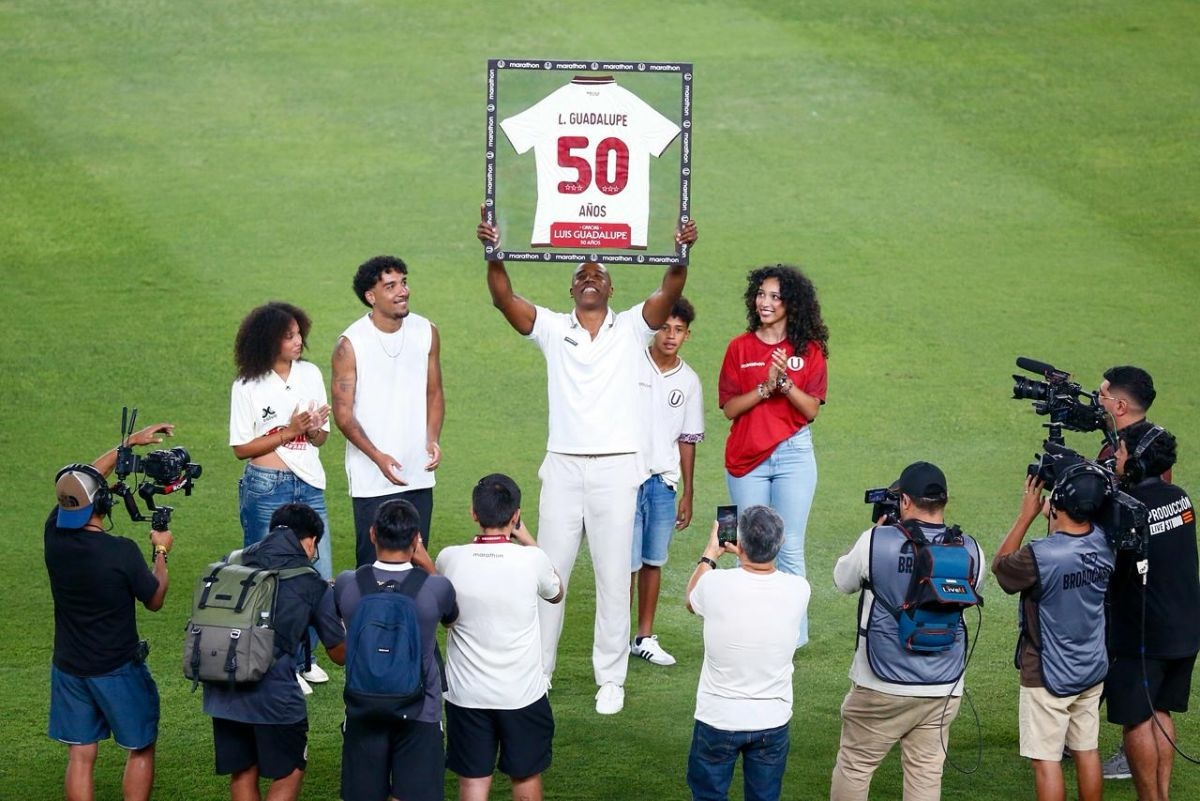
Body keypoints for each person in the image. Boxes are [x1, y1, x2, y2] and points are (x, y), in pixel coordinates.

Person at [477, 204, 698, 714]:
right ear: (572, 289)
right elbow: (503, 298)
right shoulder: (554, 329)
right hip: (563, 466)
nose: (591, 278)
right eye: (582, 275)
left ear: (612, 290)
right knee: (549, 571)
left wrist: (681, 250)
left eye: (600, 274)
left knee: (612, 571)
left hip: (618, 466)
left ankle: (611, 677)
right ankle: (540, 671)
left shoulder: (634, 329)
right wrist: (493, 252)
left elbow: (669, 291)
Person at [830, 462, 985, 801]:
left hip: (880, 683)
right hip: (944, 687)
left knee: (856, 765)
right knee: (926, 775)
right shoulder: (972, 549)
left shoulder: (874, 541)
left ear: (904, 501)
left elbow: (842, 581)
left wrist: (878, 534)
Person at [46, 422, 175, 801]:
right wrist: (161, 551)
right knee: (140, 746)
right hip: (117, 668)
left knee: (81, 753)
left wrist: (127, 445)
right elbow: (155, 599)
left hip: (69, 666)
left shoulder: (53, 534)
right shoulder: (120, 552)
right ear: (103, 503)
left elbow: (78, 484)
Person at [202, 503, 346, 801]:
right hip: (274, 696)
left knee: (243, 770)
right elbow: (338, 653)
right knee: (291, 768)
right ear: (310, 541)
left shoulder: (230, 561)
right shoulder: (311, 582)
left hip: (221, 688)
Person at [718, 264, 828, 648]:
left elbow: (810, 409)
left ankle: (792, 640)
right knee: (745, 545)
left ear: (791, 304)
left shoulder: (809, 351)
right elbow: (730, 408)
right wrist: (765, 389)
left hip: (794, 455)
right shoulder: (739, 348)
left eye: (774, 297)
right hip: (747, 457)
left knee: (791, 544)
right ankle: (749, 631)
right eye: (761, 295)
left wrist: (785, 383)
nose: (764, 302)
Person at [436, 474, 564, 801]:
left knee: (474, 784)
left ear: (474, 513)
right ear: (515, 515)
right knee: (525, 779)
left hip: (467, 696)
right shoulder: (532, 560)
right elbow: (556, 592)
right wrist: (528, 538)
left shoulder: (450, 558)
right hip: (521, 695)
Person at [992, 466, 1115, 801]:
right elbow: (1075, 533)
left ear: (1057, 506)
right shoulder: (1107, 540)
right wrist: (1056, 511)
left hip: (1047, 674)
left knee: (1046, 762)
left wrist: (1026, 515)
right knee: (1087, 751)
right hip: (1091, 668)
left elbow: (1001, 568)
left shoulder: (1039, 555)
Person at [229, 301, 334, 689]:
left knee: (317, 575)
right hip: (266, 487)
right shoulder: (247, 386)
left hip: (309, 482)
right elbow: (241, 447)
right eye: (289, 336)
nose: (298, 341)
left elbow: (321, 438)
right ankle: (277, 663)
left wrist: (315, 429)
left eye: (298, 333)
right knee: (267, 578)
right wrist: (290, 431)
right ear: (268, 341)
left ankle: (306, 658)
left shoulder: (310, 373)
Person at [334, 498, 458, 801]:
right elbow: (451, 617)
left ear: (373, 534)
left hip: (363, 706)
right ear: (416, 539)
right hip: (420, 710)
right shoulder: (436, 589)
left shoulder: (347, 584)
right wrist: (426, 562)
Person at [685, 505, 811, 801]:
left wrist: (710, 554)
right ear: (779, 545)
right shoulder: (799, 589)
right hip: (771, 719)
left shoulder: (714, 583)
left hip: (718, 718)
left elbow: (691, 599)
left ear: (738, 544)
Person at [1104, 423, 1197, 801]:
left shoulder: (1129, 510)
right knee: (1161, 711)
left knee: (1137, 718)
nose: (1117, 459)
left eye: (1122, 453)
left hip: (1144, 634)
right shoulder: (1181, 497)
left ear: (1138, 461)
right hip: (1185, 629)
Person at [333, 255, 445, 567]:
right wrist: (378, 457)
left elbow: (434, 392)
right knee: (372, 569)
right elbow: (343, 414)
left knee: (417, 568)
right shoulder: (350, 343)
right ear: (371, 296)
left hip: (418, 476)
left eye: (404, 282)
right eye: (391, 285)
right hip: (371, 479)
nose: (403, 291)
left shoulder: (427, 331)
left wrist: (432, 439)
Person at [630, 296, 705, 667]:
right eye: (664, 327)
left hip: (663, 483)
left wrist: (688, 491)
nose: (670, 336)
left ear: (687, 336)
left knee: (652, 561)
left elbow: (687, 440)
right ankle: (613, 638)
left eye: (678, 330)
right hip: (626, 478)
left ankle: (643, 637)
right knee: (623, 564)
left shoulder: (689, 381)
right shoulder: (628, 363)